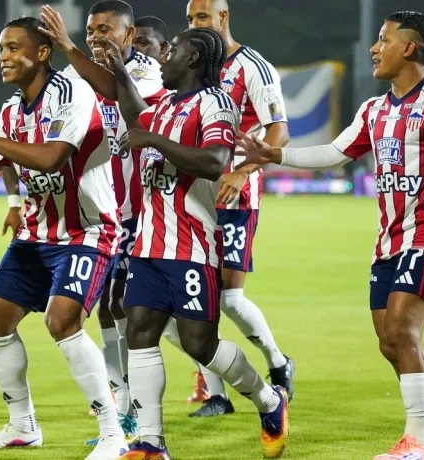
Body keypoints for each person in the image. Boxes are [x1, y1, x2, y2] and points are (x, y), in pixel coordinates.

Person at [233, 11, 424, 460]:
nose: (373, 48)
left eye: (383, 40)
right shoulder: (374, 109)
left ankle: (416, 443)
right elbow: (334, 153)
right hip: (388, 241)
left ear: (409, 47)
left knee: (405, 331)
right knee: (392, 344)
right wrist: (274, 153)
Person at [102, 27, 289, 460]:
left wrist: (154, 142)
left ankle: (269, 400)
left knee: (199, 345)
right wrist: (116, 68)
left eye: (170, 52)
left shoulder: (217, 103)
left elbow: (215, 162)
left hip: (192, 245)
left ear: (192, 59)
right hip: (149, 244)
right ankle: (151, 443)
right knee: (141, 331)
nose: (162, 57)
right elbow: (137, 117)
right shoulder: (165, 105)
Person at [0, 17, 128, 459]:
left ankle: (113, 435)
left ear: (42, 53)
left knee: (62, 321)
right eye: (0, 48)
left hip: (88, 230)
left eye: (12, 48)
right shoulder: (10, 111)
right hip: (36, 234)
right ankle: (22, 425)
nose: (2, 57)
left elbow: (49, 158)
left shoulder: (72, 92)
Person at [37, 1, 166, 440]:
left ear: (129, 36)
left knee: (142, 313)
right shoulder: (73, 75)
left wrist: (69, 48)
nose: (95, 36)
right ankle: (124, 403)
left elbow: (118, 93)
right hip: (100, 213)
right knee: (108, 311)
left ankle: (222, 384)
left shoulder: (151, 71)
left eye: (106, 29)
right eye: (90, 29)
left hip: (144, 211)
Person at [161, 0, 294, 418]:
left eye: (201, 17)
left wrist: (243, 172)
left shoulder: (254, 67)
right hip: (190, 195)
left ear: (224, 18)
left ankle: (277, 361)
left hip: (233, 194)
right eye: (189, 19)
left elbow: (279, 132)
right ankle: (215, 394)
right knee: (192, 298)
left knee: (231, 298)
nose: (194, 25)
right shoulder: (194, 66)